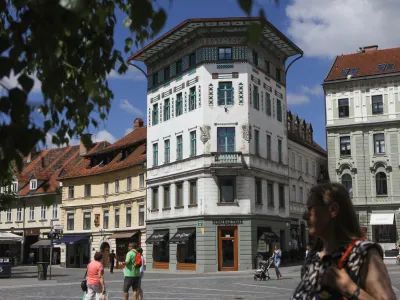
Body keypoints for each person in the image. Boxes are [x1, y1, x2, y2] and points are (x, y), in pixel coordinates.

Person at [292, 183, 396, 299]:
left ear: (332, 210)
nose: (305, 216)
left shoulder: (362, 253)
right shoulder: (313, 257)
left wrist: (349, 288)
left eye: (310, 208)